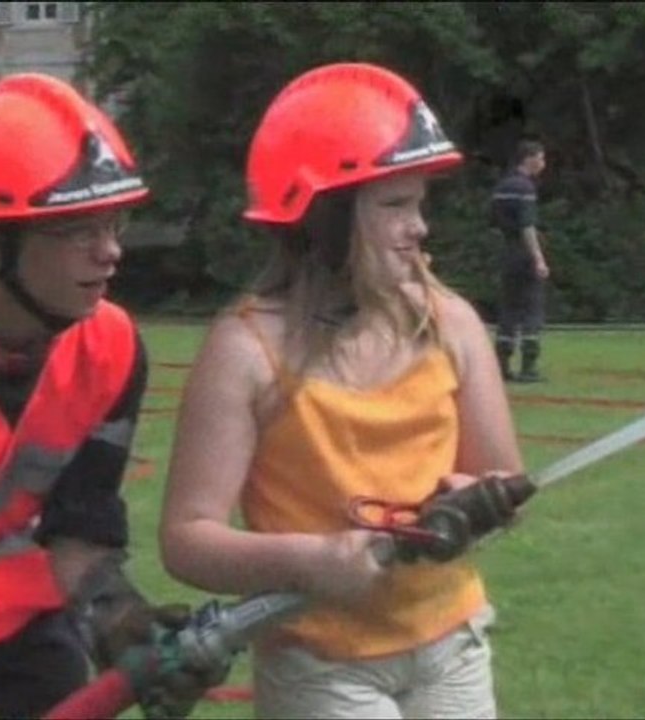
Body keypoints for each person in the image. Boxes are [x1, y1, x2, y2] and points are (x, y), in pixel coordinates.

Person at [160, 62, 524, 719]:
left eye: (420, 203)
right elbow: (187, 538)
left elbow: (506, 481)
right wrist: (313, 559)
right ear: (321, 218)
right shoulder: (246, 351)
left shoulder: (450, 323)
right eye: (394, 205)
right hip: (319, 665)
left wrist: (482, 497)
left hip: (452, 645)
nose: (420, 227)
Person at [0, 73, 210, 720]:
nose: (111, 251)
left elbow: (79, 528)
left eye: (114, 222)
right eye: (75, 231)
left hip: (17, 618)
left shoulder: (113, 349)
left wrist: (122, 622)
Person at [490, 139, 549, 382]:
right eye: (541, 158)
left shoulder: (501, 186)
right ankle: (528, 367)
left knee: (508, 310)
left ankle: (501, 366)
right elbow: (527, 226)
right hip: (523, 253)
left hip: (506, 251)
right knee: (532, 308)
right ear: (529, 158)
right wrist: (538, 258)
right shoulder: (525, 189)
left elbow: (493, 221)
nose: (544, 164)